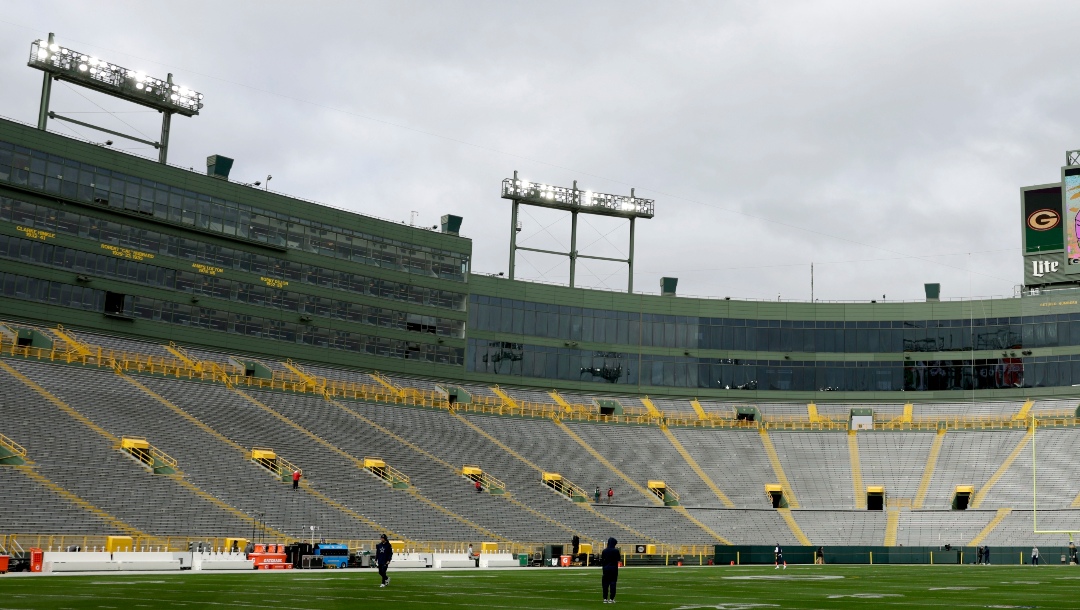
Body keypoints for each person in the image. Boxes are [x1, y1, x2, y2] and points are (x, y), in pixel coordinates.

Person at [601, 537, 620, 604]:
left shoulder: (604, 551)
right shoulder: (616, 551)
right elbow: (618, 559)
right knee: (613, 583)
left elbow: (602, 559)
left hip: (606, 568)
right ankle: (612, 598)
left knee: (605, 584)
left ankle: (605, 598)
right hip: (614, 568)